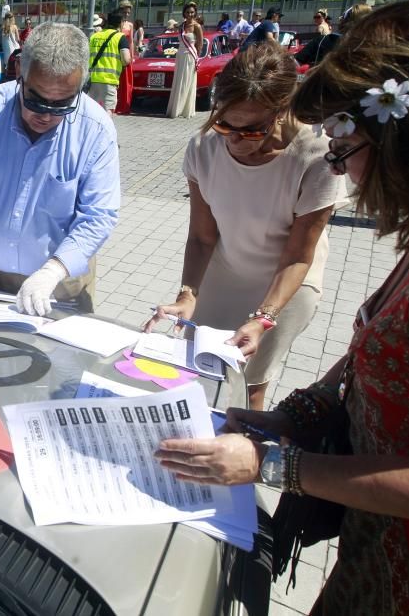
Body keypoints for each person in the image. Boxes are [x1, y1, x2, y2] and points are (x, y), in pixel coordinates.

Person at [154, 0, 409, 615]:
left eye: (349, 149)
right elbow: (378, 364)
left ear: (408, 139)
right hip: (377, 540)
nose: (346, 174)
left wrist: (275, 465)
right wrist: (295, 416)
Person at [146, 42, 346, 411]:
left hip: (285, 283)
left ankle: (243, 455)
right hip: (225, 270)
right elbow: (202, 237)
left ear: (282, 110)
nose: (235, 141)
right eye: (225, 124)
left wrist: (263, 317)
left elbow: (298, 257)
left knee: (247, 386)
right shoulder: (204, 146)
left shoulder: (316, 155)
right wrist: (188, 294)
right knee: (197, 372)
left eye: (252, 130)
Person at [0, 23, 121, 316]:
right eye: (36, 100)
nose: (45, 115)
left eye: (62, 105)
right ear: (21, 71)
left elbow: (98, 216)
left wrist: (52, 272)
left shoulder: (96, 130)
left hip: (61, 281)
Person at [295, 3, 372, 68]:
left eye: (318, 17)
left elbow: (295, 63)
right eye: (315, 17)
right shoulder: (373, 49)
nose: (315, 19)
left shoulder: (321, 37)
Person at [87, 12, 132, 115]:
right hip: (109, 80)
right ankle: (105, 131)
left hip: (91, 80)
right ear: (120, 23)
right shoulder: (120, 37)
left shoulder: (94, 36)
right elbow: (126, 59)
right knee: (107, 111)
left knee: (92, 111)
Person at [166, 2, 203, 119]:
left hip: (190, 56)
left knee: (187, 82)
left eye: (192, 12)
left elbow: (200, 44)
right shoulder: (182, 26)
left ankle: (185, 109)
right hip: (180, 55)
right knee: (179, 81)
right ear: (184, 13)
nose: (190, 14)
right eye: (188, 12)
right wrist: (171, 24)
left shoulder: (197, 26)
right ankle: (176, 108)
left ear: (195, 13)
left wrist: (196, 58)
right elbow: (171, 25)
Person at [115, 0, 137, 115]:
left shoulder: (130, 25)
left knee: (125, 82)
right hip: (116, 55)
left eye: (128, 12)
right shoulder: (116, 24)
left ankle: (124, 105)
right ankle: (115, 104)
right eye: (125, 12)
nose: (126, 14)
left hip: (126, 55)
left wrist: (132, 56)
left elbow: (131, 41)